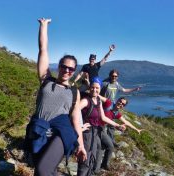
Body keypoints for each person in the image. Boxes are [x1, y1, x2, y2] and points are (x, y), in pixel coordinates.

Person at [25, 18, 86, 176]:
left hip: (61, 133)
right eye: (64, 67)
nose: (67, 71)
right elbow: (42, 49)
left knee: (43, 170)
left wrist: (81, 145)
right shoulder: (46, 80)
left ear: (74, 72)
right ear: (58, 67)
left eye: (71, 69)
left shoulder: (74, 92)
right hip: (39, 129)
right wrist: (43, 26)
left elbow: (75, 120)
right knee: (42, 171)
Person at [77, 77, 126, 176]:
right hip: (86, 134)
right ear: (89, 87)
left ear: (100, 89)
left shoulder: (98, 100)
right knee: (84, 159)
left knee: (92, 157)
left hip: (95, 133)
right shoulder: (86, 101)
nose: (94, 90)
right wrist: (80, 126)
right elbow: (73, 111)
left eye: (97, 88)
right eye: (92, 87)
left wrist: (117, 125)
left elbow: (103, 117)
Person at [95, 96, 142, 172]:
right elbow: (98, 96)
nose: (120, 103)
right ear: (117, 100)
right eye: (120, 101)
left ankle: (100, 166)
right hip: (96, 127)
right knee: (109, 146)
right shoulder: (109, 103)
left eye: (123, 104)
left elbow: (126, 122)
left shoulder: (116, 113)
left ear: (123, 106)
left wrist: (136, 129)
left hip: (102, 129)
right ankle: (99, 167)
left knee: (103, 147)